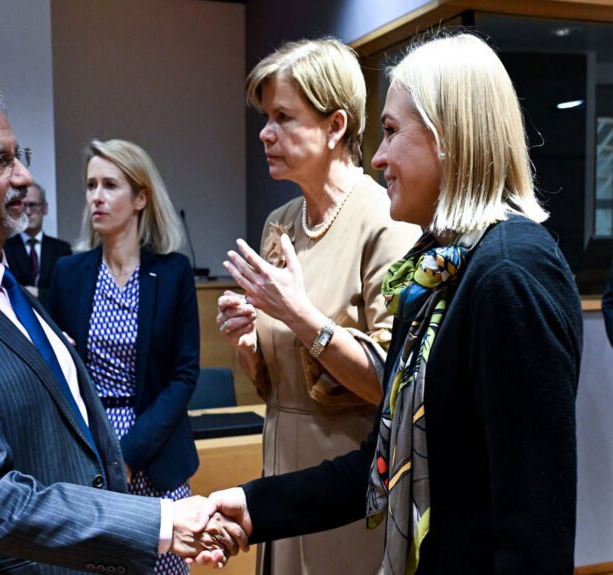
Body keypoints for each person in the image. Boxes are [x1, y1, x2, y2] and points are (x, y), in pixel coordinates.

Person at [194, 32, 584, 574]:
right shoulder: (435, 267)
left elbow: (533, 522)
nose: (377, 157)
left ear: (451, 137)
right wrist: (255, 505)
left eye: (392, 132)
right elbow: (383, 461)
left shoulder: (511, 272)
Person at [0, 77, 241, 574]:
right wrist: (159, 523)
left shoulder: (13, 294)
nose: (25, 176)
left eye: (17, 155)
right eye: (0, 161)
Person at [215, 37, 420, 574]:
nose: (265, 133)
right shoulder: (279, 224)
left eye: (283, 117)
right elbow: (271, 381)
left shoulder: (384, 220)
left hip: (345, 477)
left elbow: (394, 382)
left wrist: (298, 316)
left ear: (336, 127)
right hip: (281, 462)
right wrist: (247, 341)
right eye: (265, 117)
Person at [47, 139, 199, 575]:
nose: (96, 196)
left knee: (164, 567)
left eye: (110, 185)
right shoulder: (68, 273)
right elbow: (56, 370)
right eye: (91, 185)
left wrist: (129, 454)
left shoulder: (171, 273)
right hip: (89, 446)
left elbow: (183, 375)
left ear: (141, 198)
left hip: (154, 445)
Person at [3, 181, 72, 299]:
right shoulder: (5, 248)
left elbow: (68, 292)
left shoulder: (61, 249)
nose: (28, 212)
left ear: (44, 208)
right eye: (23, 205)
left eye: (33, 205)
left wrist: (39, 293)